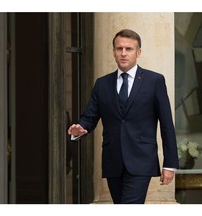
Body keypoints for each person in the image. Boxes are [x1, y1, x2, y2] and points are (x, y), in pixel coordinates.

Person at [68, 29, 179, 204]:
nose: (124, 53)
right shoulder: (102, 84)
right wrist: (79, 129)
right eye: (119, 49)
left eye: (129, 49)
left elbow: (166, 124)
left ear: (138, 52)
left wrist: (169, 164)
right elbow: (89, 117)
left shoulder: (154, 81)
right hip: (113, 160)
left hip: (141, 160)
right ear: (113, 52)